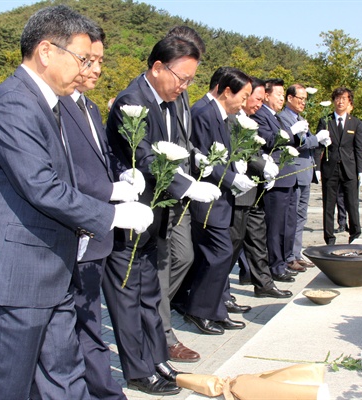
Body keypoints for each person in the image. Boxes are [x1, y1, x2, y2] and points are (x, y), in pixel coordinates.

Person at [0, 6, 152, 399]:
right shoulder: (13, 102)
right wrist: (112, 213)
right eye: (81, 58)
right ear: (47, 51)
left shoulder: (49, 103)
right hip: (15, 275)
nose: (85, 68)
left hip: (53, 267)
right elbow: (41, 187)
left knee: (64, 375)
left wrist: (111, 191)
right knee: (10, 385)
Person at [104, 34, 220, 395]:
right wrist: (187, 187)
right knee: (129, 296)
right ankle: (138, 370)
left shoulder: (169, 100)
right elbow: (147, 157)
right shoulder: (130, 102)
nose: (184, 87)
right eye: (181, 78)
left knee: (151, 292)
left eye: (190, 81)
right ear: (157, 68)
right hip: (131, 214)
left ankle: (156, 359)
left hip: (158, 215)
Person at [59, 26, 135, 400]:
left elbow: (99, 161)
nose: (96, 69)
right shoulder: (55, 106)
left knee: (89, 319)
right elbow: (63, 174)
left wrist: (122, 175)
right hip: (76, 228)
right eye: (89, 60)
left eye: (100, 61)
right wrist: (109, 192)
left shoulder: (88, 106)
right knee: (78, 324)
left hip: (97, 232)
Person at [184, 68, 255, 335]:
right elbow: (203, 158)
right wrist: (231, 179)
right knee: (219, 254)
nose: (245, 102)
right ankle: (199, 310)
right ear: (227, 91)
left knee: (221, 255)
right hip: (208, 198)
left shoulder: (220, 114)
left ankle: (215, 310)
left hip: (220, 197)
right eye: (244, 95)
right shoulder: (203, 112)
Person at [155, 25, 207, 364]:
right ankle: (162, 332)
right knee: (161, 265)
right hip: (162, 191)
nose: (186, 82)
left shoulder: (181, 92)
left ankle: (154, 310)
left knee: (184, 257)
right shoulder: (151, 92)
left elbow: (181, 136)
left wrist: (194, 157)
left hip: (181, 185)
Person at [230, 77, 293, 299]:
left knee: (258, 238)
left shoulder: (247, 119)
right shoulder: (234, 119)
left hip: (254, 190)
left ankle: (264, 283)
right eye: (253, 99)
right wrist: (263, 164)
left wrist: (265, 164)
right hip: (238, 191)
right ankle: (220, 293)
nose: (257, 104)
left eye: (257, 99)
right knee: (232, 245)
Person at [251, 78, 302, 282]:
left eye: (283, 95)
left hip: (287, 176)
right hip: (276, 177)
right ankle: (275, 266)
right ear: (266, 95)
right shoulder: (261, 115)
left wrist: (297, 134)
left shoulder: (275, 117)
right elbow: (270, 141)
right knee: (274, 227)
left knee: (287, 224)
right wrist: (292, 132)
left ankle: (281, 262)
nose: (281, 99)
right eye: (279, 95)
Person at [278, 84, 330, 268]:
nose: (303, 103)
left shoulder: (300, 118)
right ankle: (288, 256)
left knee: (301, 216)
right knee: (291, 217)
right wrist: (316, 139)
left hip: (305, 172)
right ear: (289, 98)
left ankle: (296, 252)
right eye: (300, 98)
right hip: (293, 172)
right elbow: (294, 145)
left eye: (305, 100)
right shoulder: (283, 118)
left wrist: (320, 140)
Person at [317, 87, 362, 245]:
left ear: (349, 101)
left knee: (352, 203)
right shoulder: (325, 120)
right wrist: (317, 167)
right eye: (337, 98)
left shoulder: (356, 123)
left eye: (344, 98)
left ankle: (355, 233)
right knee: (329, 204)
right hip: (330, 168)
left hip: (349, 168)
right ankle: (329, 237)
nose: (340, 101)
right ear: (333, 101)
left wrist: (361, 170)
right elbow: (318, 147)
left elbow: (359, 149)